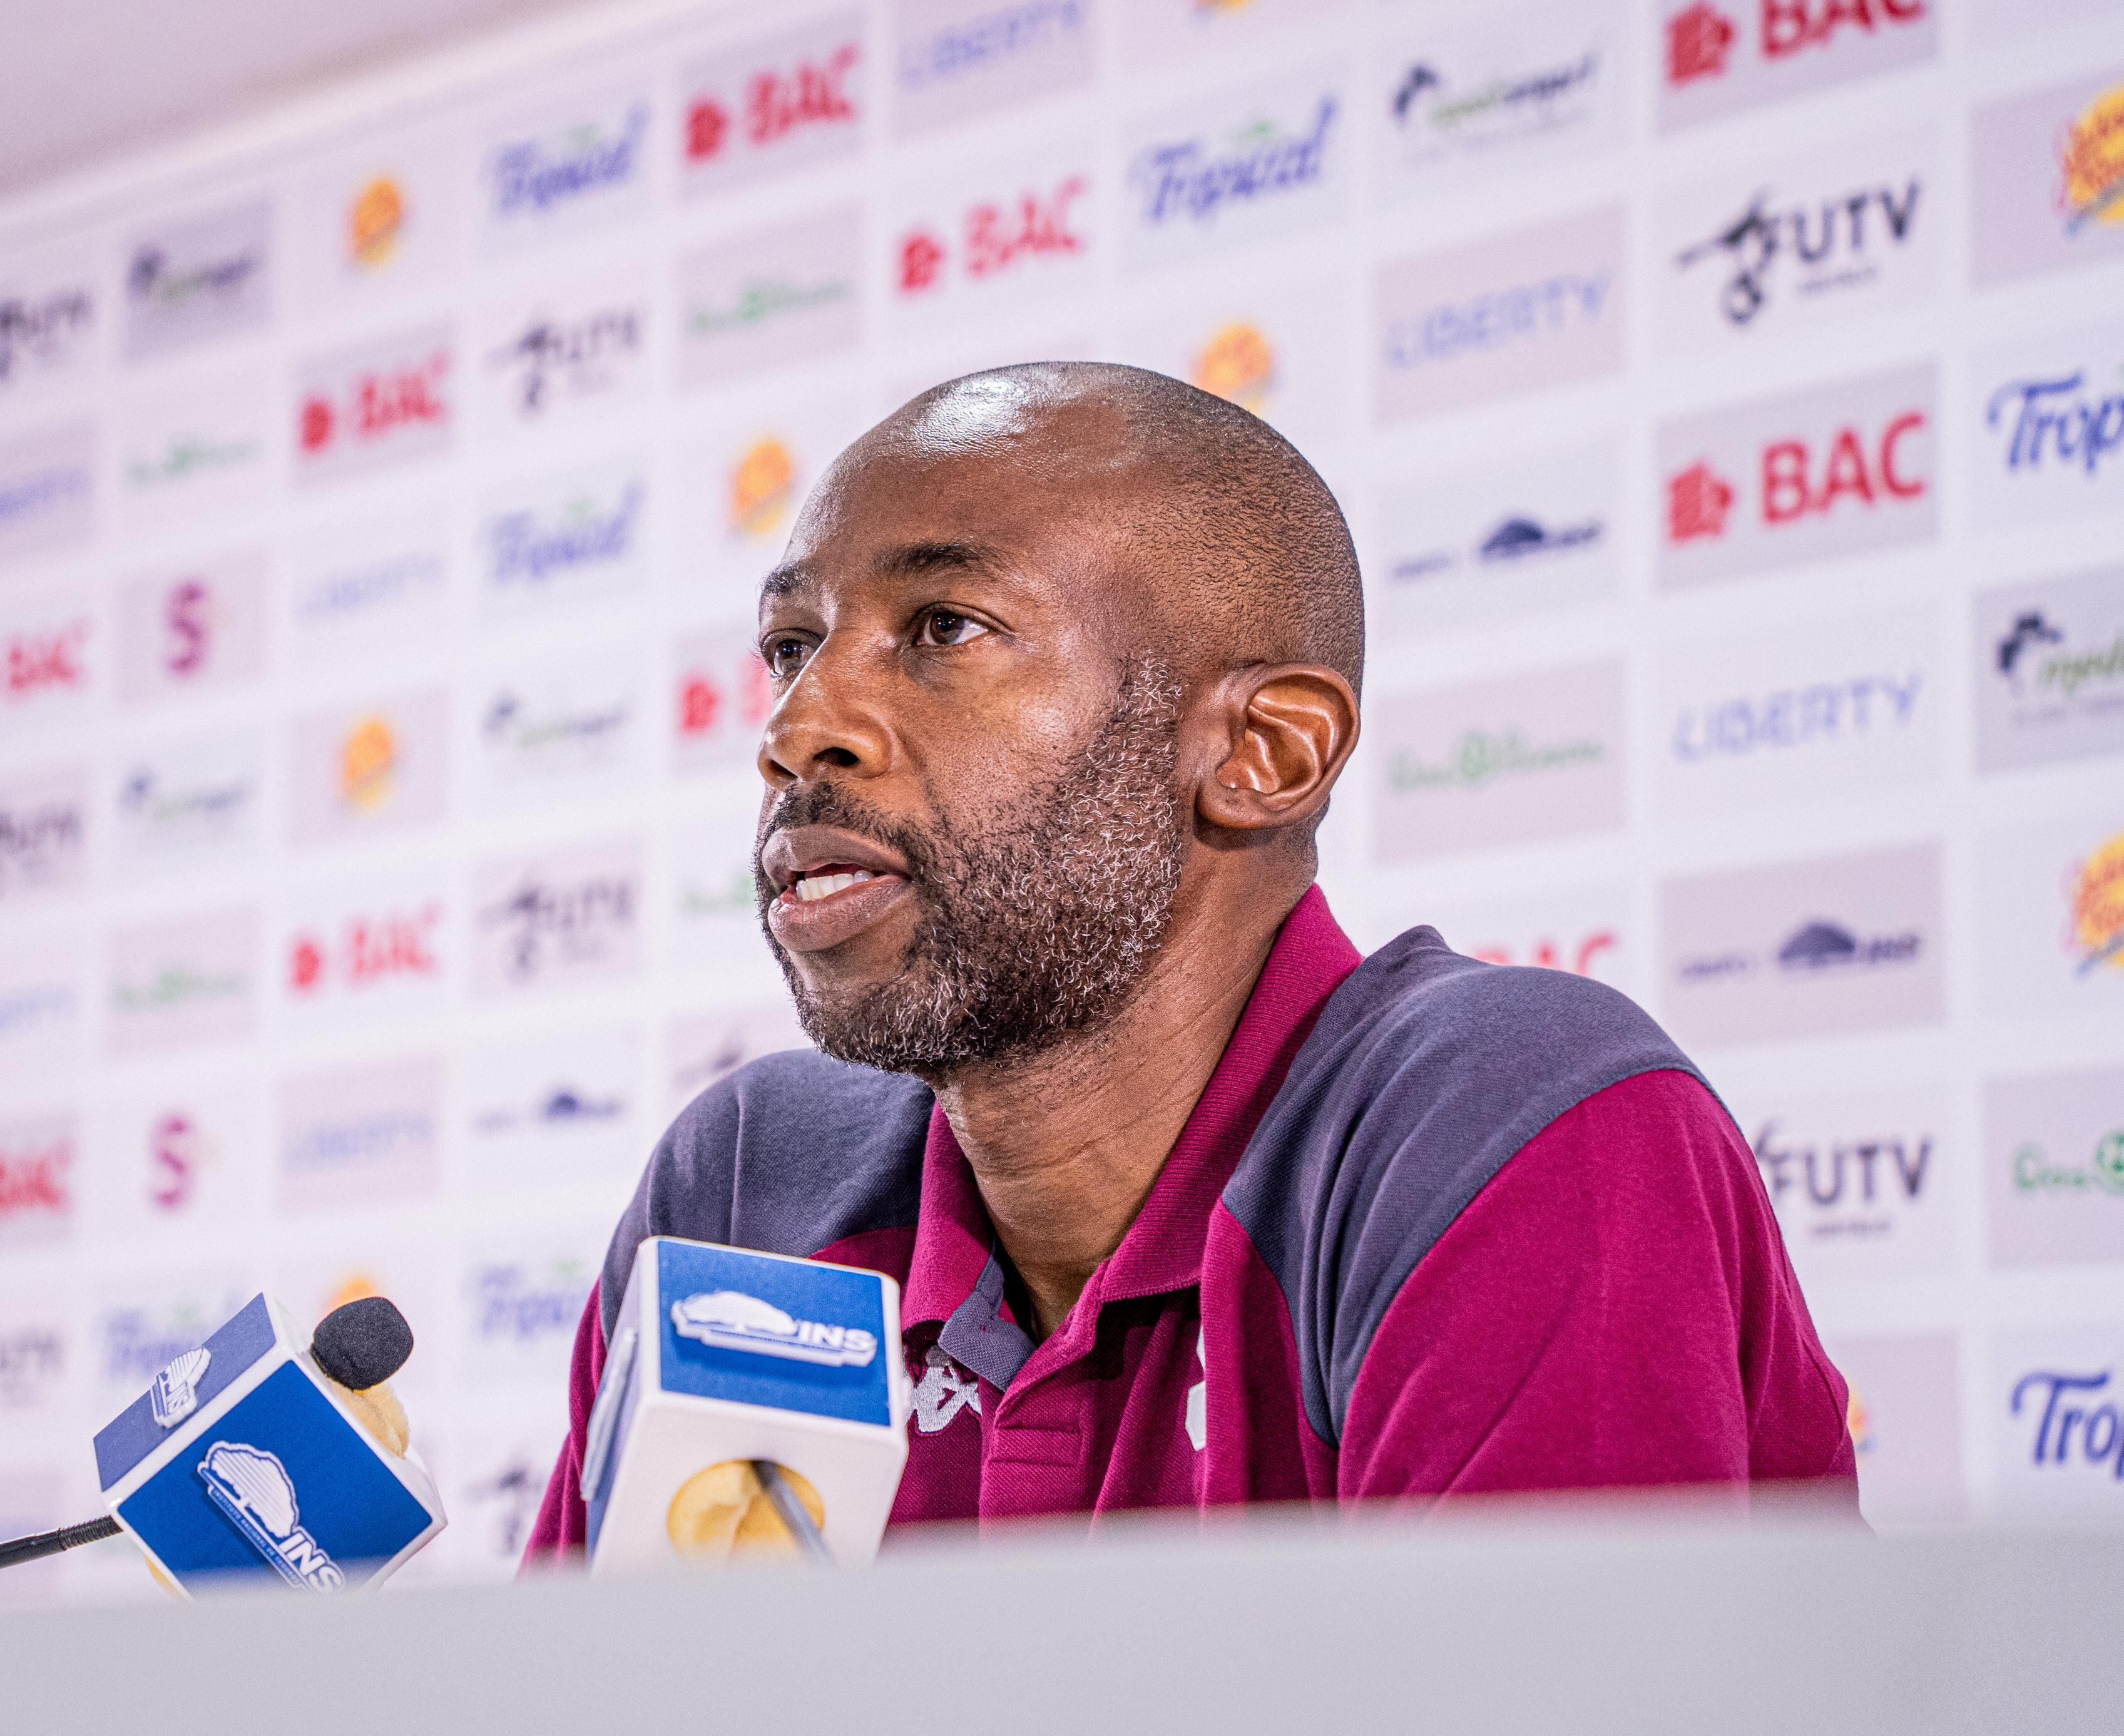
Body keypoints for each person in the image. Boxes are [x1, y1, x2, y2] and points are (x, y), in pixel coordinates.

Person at [526, 362, 1854, 1558]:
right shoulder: (753, 1186)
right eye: (792, 646)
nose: (799, 725)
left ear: (1262, 754)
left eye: (946, 627)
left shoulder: (1511, 1126)